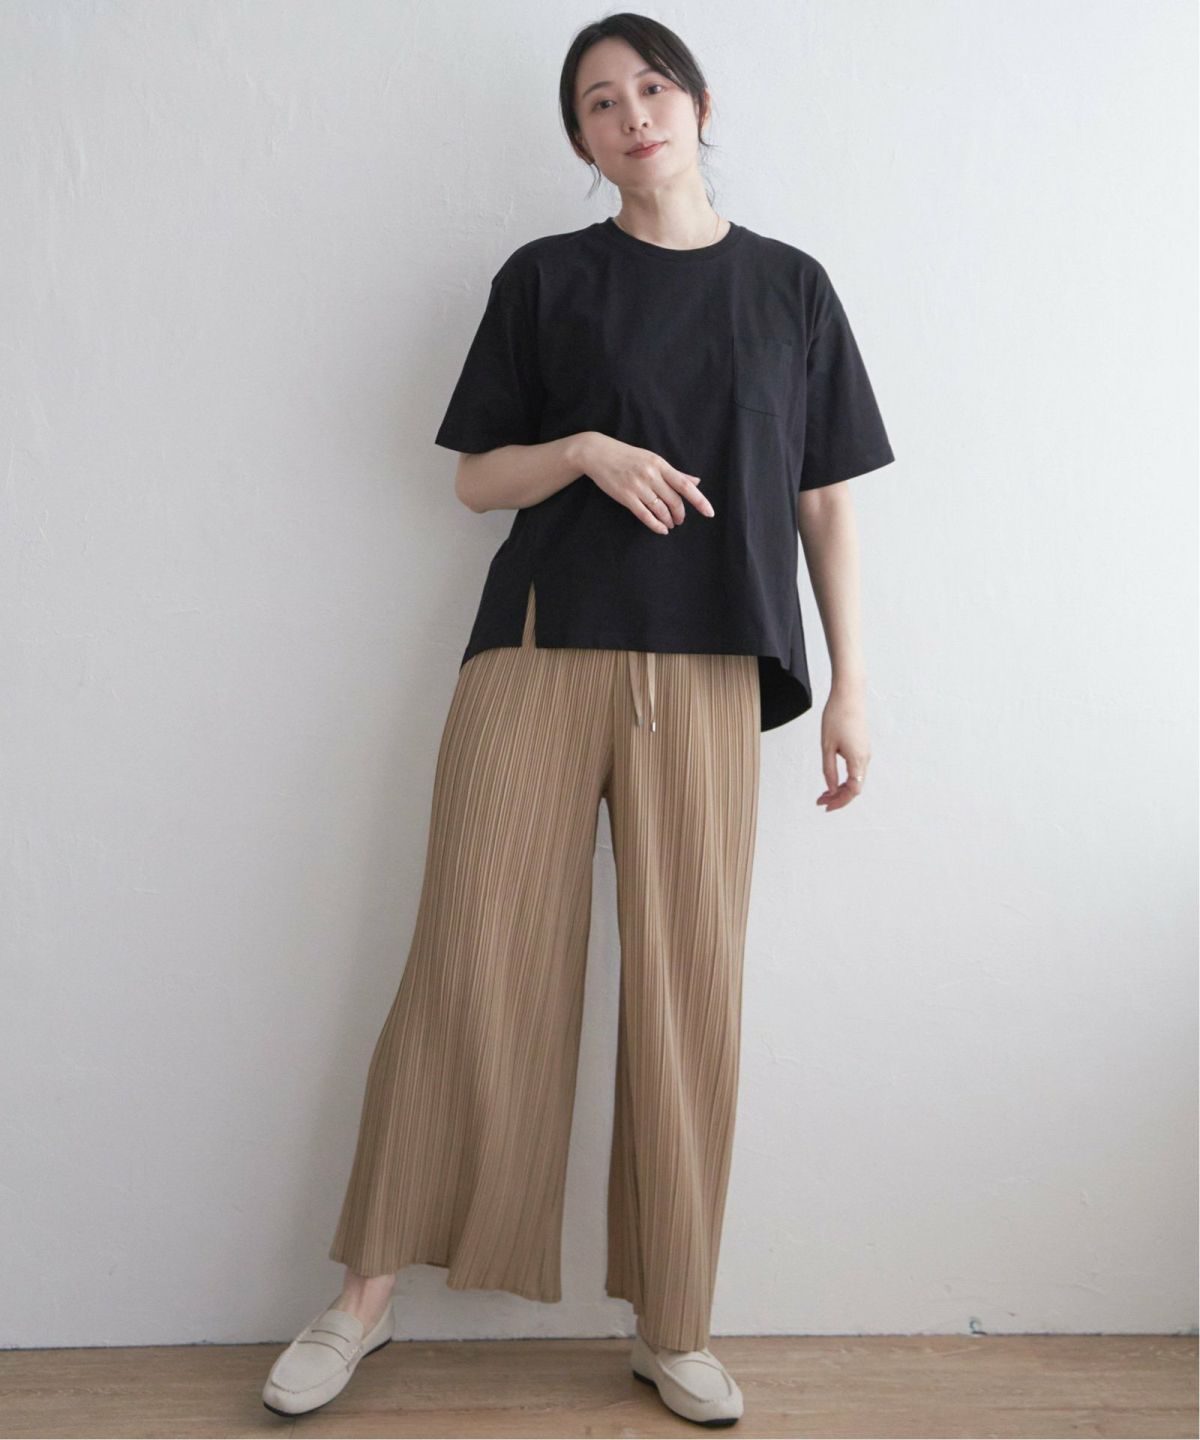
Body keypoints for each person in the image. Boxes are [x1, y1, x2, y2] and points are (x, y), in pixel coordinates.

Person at [262, 11, 894, 1426]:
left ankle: (673, 1323)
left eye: (651, 86)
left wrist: (853, 682)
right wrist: (586, 451)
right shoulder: (547, 278)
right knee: (468, 963)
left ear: (699, 103)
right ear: (580, 140)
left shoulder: (791, 288)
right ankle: (362, 1298)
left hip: (713, 668)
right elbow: (475, 480)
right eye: (600, 103)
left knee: (688, 992)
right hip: (538, 653)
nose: (632, 115)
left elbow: (826, 498)